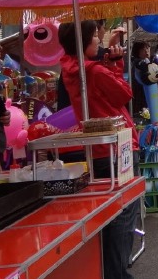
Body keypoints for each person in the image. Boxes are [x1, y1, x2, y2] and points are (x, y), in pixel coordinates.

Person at [57, 20, 140, 279]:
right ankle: (117, 273)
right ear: (84, 41)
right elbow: (124, 94)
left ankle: (110, 271)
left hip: (98, 150)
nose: (98, 39)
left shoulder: (70, 69)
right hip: (118, 146)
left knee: (108, 216)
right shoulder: (94, 72)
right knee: (123, 214)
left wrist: (109, 59)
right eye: (95, 35)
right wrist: (115, 66)